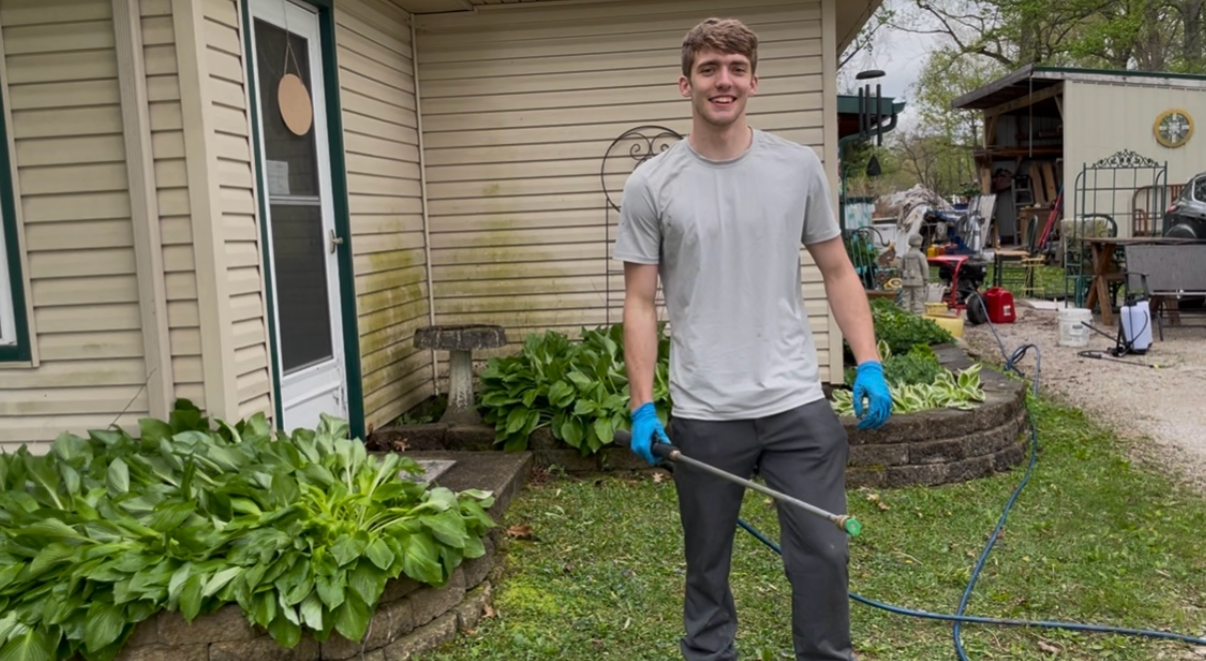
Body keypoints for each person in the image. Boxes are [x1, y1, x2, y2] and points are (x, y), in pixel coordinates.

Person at [611, 16, 893, 661]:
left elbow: (838, 269)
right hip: (706, 410)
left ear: (754, 81)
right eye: (709, 69)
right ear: (685, 84)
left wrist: (868, 362)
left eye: (736, 69)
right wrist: (642, 402)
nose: (723, 81)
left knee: (825, 550)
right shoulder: (651, 184)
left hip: (795, 402)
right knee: (706, 564)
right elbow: (639, 299)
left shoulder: (796, 168)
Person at [900, 233, 930, 314]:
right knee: (918, 299)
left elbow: (900, 268)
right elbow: (925, 268)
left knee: (905, 299)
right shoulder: (920, 255)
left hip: (906, 280)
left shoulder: (905, 255)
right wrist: (926, 279)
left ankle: (905, 314)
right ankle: (918, 315)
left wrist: (902, 275)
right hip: (918, 281)